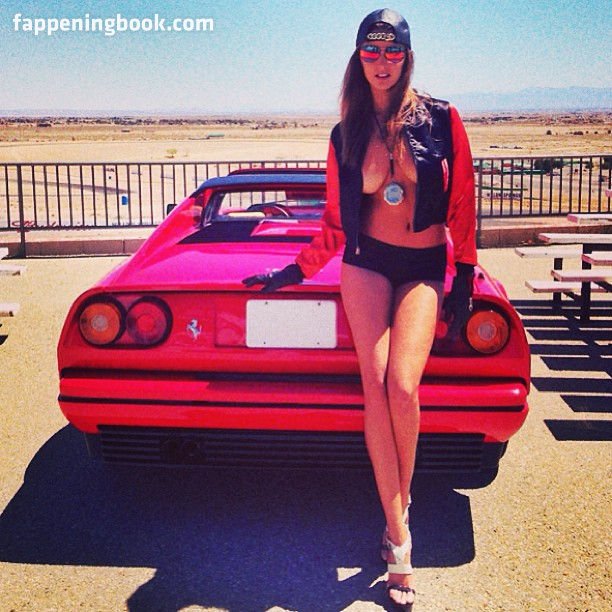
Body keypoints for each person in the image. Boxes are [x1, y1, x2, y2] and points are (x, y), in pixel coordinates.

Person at [243, 7, 477, 610]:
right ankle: (398, 534)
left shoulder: (442, 119)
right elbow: (333, 222)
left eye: (392, 50)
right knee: (374, 384)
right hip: (366, 263)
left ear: (407, 56)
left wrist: (465, 276)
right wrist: (293, 271)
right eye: (371, 51)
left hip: (424, 265)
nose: (381, 61)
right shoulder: (345, 131)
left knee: (403, 385)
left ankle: (401, 500)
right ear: (358, 58)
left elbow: (463, 205)